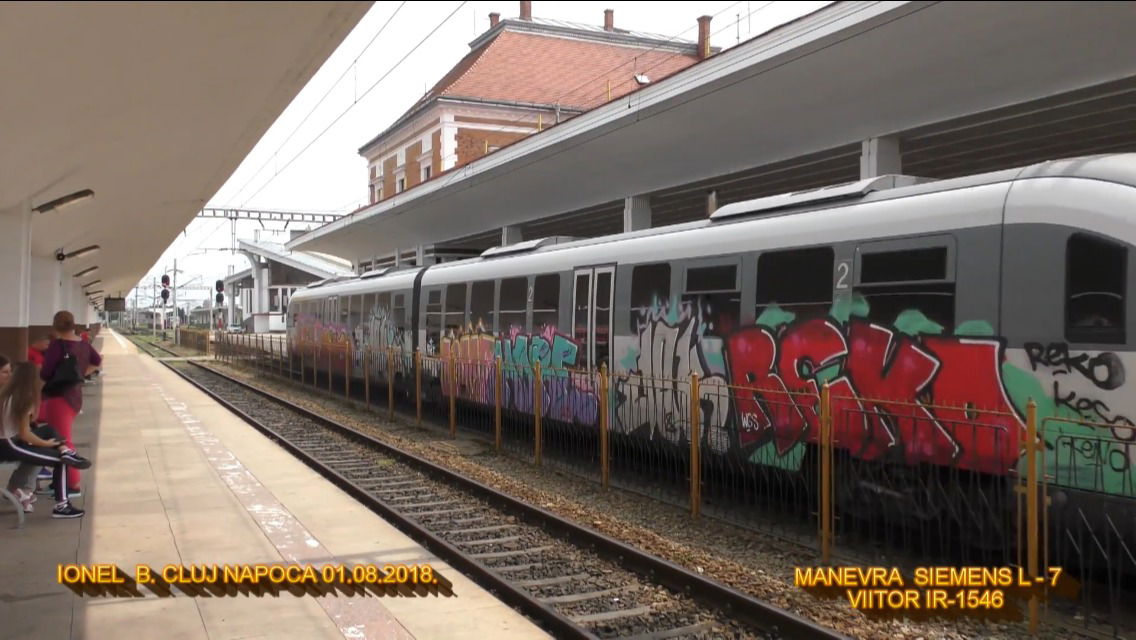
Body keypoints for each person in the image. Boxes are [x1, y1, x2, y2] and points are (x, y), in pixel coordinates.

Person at [0, 362, 90, 518]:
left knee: (48, 430)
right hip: (10, 444)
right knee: (61, 461)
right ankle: (62, 506)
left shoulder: (6, 394)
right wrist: (46, 444)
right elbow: (25, 434)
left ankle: (66, 451)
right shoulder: (23, 398)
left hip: (8, 442)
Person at [40, 310, 101, 497]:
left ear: (55, 326)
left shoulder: (57, 346)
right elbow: (98, 362)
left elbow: (45, 373)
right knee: (60, 439)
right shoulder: (83, 344)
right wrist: (81, 375)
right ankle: (60, 480)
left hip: (58, 397)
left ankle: (72, 484)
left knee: (64, 441)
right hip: (74, 397)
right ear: (73, 324)